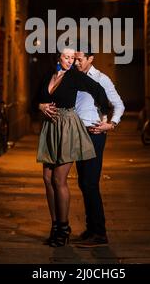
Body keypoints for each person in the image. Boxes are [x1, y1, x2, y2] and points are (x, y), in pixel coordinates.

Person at [37, 47, 110, 247]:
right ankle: (55, 226)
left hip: (68, 126)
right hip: (50, 128)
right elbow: (39, 97)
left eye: (72, 58)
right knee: (47, 178)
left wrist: (105, 117)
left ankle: (64, 228)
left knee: (59, 179)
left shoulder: (74, 76)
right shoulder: (48, 76)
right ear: (57, 57)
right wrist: (41, 106)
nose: (70, 61)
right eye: (66, 57)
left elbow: (99, 90)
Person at [73, 46, 125, 247]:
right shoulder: (75, 77)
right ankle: (91, 228)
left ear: (90, 59)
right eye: (75, 60)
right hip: (78, 133)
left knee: (90, 183)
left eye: (80, 60)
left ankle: (100, 234)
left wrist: (111, 124)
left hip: (94, 134)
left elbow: (119, 104)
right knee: (83, 183)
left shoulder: (101, 79)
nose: (76, 63)